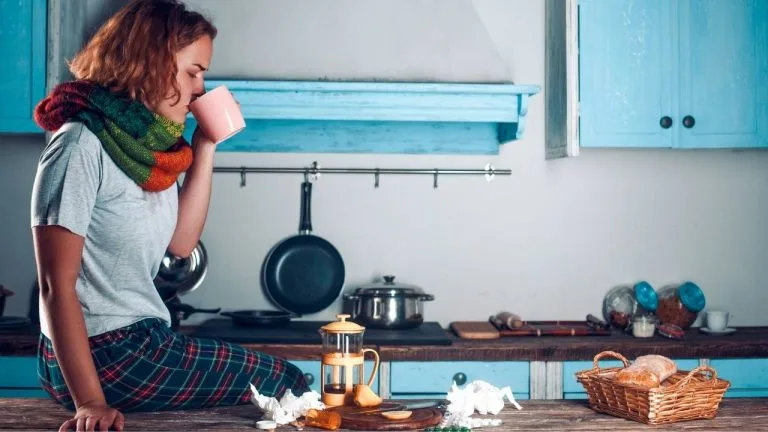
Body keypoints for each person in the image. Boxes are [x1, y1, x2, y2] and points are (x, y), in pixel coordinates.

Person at [30, 1, 309, 431]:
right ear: (150, 64)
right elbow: (55, 286)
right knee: (288, 382)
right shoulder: (79, 145)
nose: (200, 89)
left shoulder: (147, 150)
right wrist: (90, 402)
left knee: (277, 391)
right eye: (193, 71)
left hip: (136, 343)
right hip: (107, 352)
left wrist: (207, 145)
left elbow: (180, 244)